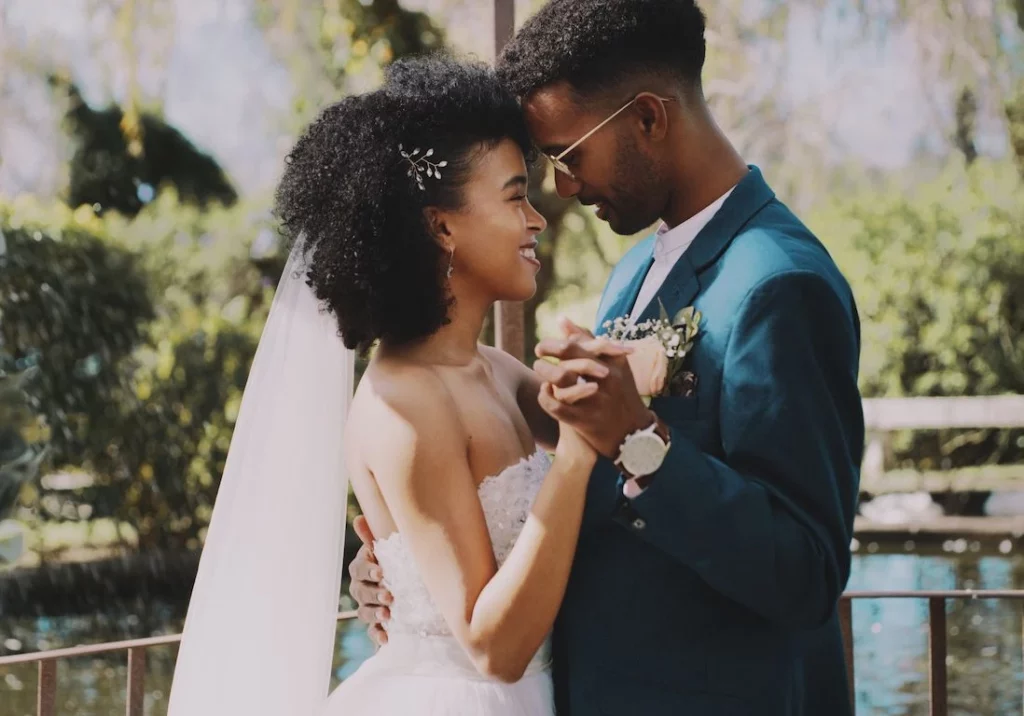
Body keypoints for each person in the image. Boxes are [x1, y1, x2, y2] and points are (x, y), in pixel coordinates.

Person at [350, 1, 865, 714]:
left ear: (649, 118)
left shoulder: (779, 284)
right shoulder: (631, 273)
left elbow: (808, 572)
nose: (561, 188)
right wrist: (411, 578)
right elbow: (575, 498)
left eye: (567, 155)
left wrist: (640, 442)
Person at [167, 52, 649, 716]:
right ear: (440, 225)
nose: (537, 220)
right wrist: (572, 450)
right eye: (515, 197)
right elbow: (492, 648)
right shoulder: (401, 406)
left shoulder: (497, 372)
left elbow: (622, 433)